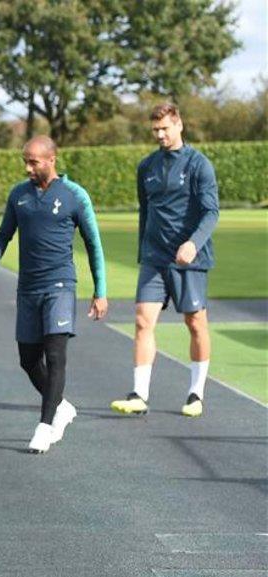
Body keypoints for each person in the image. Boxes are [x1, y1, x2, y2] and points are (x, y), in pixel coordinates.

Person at [0, 136, 108, 452]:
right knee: (28, 359)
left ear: (52, 159)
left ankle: (45, 426)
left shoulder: (75, 196)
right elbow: (3, 235)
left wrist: (99, 291)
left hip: (60, 286)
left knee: (55, 355)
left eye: (33, 161)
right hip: (28, 288)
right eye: (25, 160)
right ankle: (61, 406)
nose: (27, 167)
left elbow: (93, 244)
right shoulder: (18, 195)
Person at [110, 103, 219, 418]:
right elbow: (145, 211)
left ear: (179, 125)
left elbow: (211, 212)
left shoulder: (199, 165)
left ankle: (195, 394)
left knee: (195, 323)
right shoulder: (146, 167)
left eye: (165, 128)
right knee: (143, 321)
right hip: (154, 258)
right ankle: (138, 395)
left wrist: (193, 243)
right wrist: (142, 252)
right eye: (155, 130)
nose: (159, 134)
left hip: (189, 260)